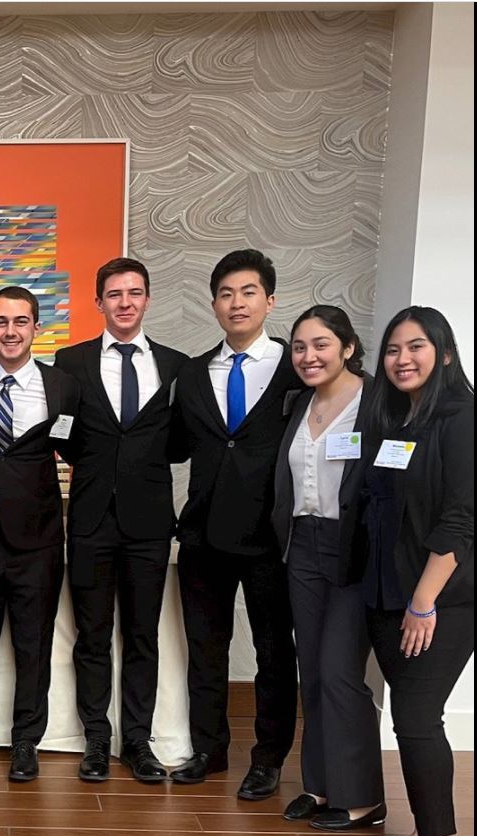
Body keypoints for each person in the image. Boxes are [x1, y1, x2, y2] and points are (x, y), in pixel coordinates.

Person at [170, 249, 300, 800]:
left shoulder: (297, 368)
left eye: (248, 292)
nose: (236, 303)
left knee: (274, 652)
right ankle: (209, 749)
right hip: (204, 532)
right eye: (226, 294)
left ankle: (268, 758)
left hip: (271, 536)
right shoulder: (193, 372)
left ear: (269, 300)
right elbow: (177, 445)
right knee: (206, 648)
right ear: (214, 305)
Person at [53, 258, 188, 783]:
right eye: (114, 294)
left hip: (149, 522)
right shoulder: (71, 361)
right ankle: (95, 739)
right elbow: (65, 436)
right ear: (99, 303)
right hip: (90, 518)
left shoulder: (176, 366)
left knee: (141, 636)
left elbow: (179, 443)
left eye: (134, 293)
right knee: (91, 635)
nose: (125, 302)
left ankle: (137, 741)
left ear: (147, 299)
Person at [361, 307, 473, 836]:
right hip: (389, 593)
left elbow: (461, 519)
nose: (402, 359)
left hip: (442, 600)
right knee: (408, 716)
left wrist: (424, 600)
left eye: (416, 347)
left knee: (416, 715)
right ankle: (423, 831)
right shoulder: (397, 420)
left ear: (445, 354)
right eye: (392, 349)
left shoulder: (462, 419)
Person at [0, 286, 80, 782]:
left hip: (38, 540)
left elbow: (78, 449)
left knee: (33, 644)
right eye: (1, 322)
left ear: (36, 327)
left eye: (20, 322)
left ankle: (27, 739)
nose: (11, 332)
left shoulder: (61, 386)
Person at [272, 306, 384, 828]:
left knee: (341, 672)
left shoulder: (376, 402)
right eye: (299, 347)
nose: (308, 356)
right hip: (302, 546)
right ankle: (319, 787)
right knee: (313, 672)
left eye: (321, 344)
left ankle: (362, 797)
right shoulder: (298, 402)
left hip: (354, 551)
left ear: (348, 348)